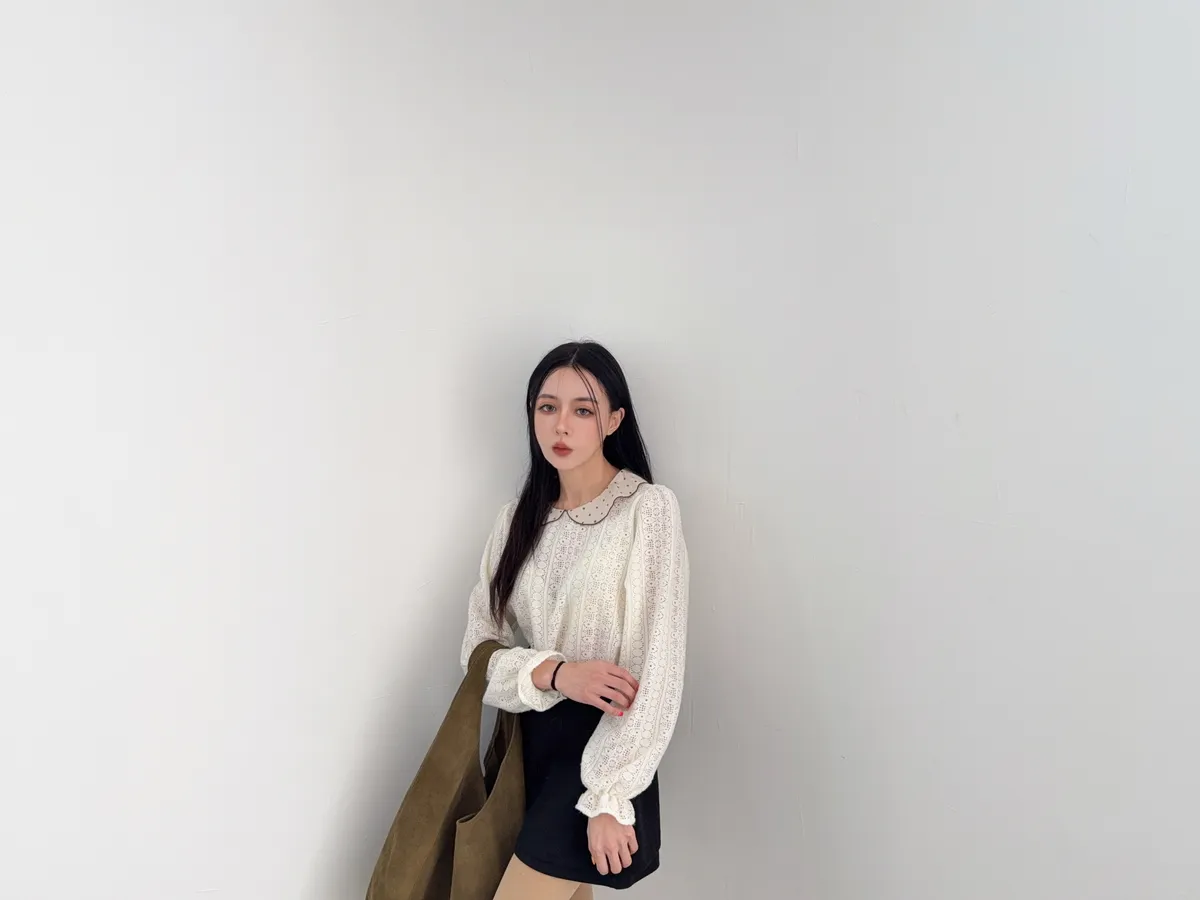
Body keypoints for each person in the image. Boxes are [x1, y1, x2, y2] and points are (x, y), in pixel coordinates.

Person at [460, 340, 689, 898]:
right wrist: (558, 673)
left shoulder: (646, 510)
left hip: (602, 747)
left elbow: (658, 664)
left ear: (613, 420)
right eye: (547, 406)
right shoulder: (517, 520)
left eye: (583, 409)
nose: (561, 424)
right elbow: (477, 653)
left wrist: (610, 795)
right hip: (528, 748)